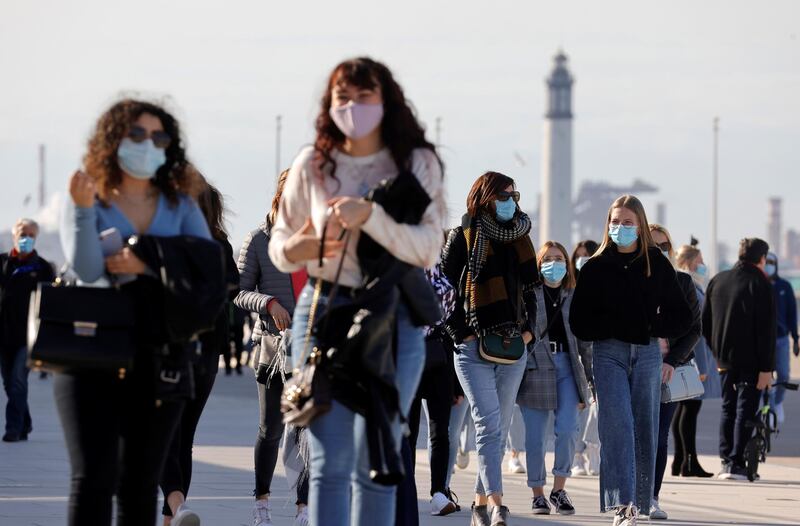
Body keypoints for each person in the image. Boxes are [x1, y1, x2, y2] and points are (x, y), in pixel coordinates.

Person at [269, 57, 446, 526]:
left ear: (386, 100)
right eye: (343, 97)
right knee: (330, 464)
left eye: (364, 96)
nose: (353, 107)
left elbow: (429, 248)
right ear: (329, 104)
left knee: (380, 460)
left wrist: (372, 218)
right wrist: (303, 245)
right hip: (325, 309)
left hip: (395, 317)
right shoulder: (314, 163)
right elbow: (280, 247)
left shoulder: (416, 162)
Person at [58, 98, 214, 525]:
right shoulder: (87, 195)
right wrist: (83, 209)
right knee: (92, 479)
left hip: (157, 355)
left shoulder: (180, 205)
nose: (149, 144)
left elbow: (209, 270)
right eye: (138, 135)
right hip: (90, 353)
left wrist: (147, 261)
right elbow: (88, 269)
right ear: (114, 140)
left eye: (159, 136)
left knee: (139, 485)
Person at [569, 195, 692, 526]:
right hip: (609, 354)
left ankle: (641, 501)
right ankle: (622, 505)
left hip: (648, 353)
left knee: (645, 427)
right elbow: (578, 321)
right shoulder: (594, 267)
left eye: (627, 222)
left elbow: (684, 317)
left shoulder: (656, 263)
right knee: (617, 426)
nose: (619, 228)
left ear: (640, 226)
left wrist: (652, 327)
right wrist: (611, 327)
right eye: (614, 221)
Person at [442, 170, 538, 526]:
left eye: (514, 194)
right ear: (484, 199)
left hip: (514, 346)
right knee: (487, 423)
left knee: (499, 425)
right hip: (472, 347)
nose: (510, 201)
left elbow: (534, 294)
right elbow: (443, 292)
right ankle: (498, 504)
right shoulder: (463, 236)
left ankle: (480, 504)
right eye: (502, 196)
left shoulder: (522, 237)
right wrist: (460, 333)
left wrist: (530, 334)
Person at [160, 180, 240, 525]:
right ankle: (172, 516)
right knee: (184, 439)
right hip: (208, 354)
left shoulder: (174, 243)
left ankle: (176, 507)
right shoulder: (221, 245)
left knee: (165, 436)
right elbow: (232, 289)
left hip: (172, 352)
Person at [235, 169, 310, 526]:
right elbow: (237, 292)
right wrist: (268, 303)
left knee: (307, 429)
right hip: (272, 350)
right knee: (271, 428)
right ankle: (261, 502)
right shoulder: (258, 240)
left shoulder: (317, 241)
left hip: (310, 349)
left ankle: (303, 508)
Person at [517, 241, 593, 516]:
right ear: (538, 264)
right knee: (535, 437)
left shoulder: (574, 294)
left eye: (559, 258)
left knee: (568, 430)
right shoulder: (528, 293)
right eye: (548, 258)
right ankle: (537, 492)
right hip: (536, 364)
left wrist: (590, 381)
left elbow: (584, 341)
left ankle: (559, 488)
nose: (554, 263)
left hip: (568, 366)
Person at [703, 238, 776, 481]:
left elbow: (705, 323)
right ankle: (736, 462)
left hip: (724, 360)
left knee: (728, 407)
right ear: (762, 258)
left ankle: (726, 461)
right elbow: (767, 330)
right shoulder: (760, 283)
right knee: (746, 408)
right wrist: (767, 368)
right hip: (752, 361)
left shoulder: (718, 280)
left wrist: (717, 353)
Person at [647, 225, 702, 521]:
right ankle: (628, 494)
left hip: (669, 371)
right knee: (631, 433)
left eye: (664, 244)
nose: (659, 250)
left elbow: (695, 329)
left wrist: (673, 360)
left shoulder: (682, 282)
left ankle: (652, 497)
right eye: (652, 245)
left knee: (658, 435)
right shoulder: (633, 281)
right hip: (634, 369)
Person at [407, 252, 461, 516]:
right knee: (408, 430)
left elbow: (452, 315)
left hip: (439, 354)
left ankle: (439, 492)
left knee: (441, 430)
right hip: (407, 354)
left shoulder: (441, 263)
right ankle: (405, 491)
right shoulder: (400, 263)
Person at [0, 218, 55, 442]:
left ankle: (13, 428)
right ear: (14, 235)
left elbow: (51, 301)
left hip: (29, 337)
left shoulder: (42, 268)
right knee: (9, 383)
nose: (26, 239)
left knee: (17, 380)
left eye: (31, 235)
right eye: (23, 233)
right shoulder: (3, 262)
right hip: (3, 335)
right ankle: (26, 422)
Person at [672, 244, 720, 478]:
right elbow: (695, 329)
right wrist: (700, 364)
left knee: (684, 408)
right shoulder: (687, 284)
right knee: (690, 409)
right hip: (694, 355)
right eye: (700, 260)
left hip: (692, 354)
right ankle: (688, 461)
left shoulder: (689, 284)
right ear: (690, 262)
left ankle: (681, 460)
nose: (703, 264)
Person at [568, 239, 599, 477]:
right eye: (578, 256)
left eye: (586, 255)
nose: (581, 261)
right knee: (580, 409)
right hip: (575, 359)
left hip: (599, 357)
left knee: (596, 409)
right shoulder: (568, 289)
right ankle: (578, 454)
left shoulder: (603, 286)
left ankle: (593, 447)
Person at [765, 252, 798, 424]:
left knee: (784, 375)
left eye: (771, 262)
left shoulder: (784, 285)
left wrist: (796, 338)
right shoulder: (759, 284)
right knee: (765, 376)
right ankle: (767, 407)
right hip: (763, 340)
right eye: (766, 261)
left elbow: (793, 314)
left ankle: (777, 403)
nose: (768, 265)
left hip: (782, 339)